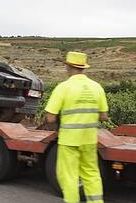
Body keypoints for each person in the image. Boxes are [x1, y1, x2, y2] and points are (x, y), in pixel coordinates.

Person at [44, 51, 108, 203]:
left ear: (68, 67)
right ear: (84, 67)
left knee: (69, 176)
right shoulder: (97, 87)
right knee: (91, 174)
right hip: (89, 140)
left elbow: (50, 117)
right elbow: (104, 116)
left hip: (69, 141)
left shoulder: (63, 87)